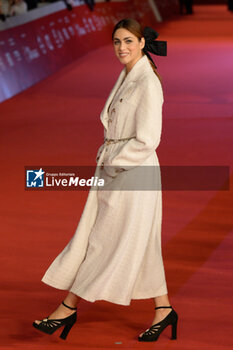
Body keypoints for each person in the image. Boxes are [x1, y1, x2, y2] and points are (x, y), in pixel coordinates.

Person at [32, 18, 178, 342]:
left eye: (128, 41)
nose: (121, 48)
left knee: (101, 240)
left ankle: (68, 306)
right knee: (141, 244)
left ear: (142, 43)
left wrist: (111, 159)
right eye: (116, 42)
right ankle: (164, 310)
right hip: (116, 170)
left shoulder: (147, 83)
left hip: (132, 172)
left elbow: (148, 139)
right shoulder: (128, 75)